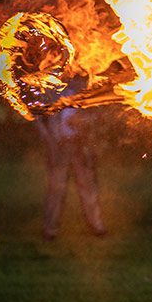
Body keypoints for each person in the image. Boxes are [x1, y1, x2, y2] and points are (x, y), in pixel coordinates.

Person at [36, 74, 107, 240]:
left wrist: (83, 123)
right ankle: (50, 229)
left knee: (88, 186)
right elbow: (40, 118)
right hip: (60, 146)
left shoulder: (86, 86)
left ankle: (97, 226)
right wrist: (48, 137)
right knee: (56, 188)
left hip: (80, 146)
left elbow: (95, 116)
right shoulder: (52, 89)